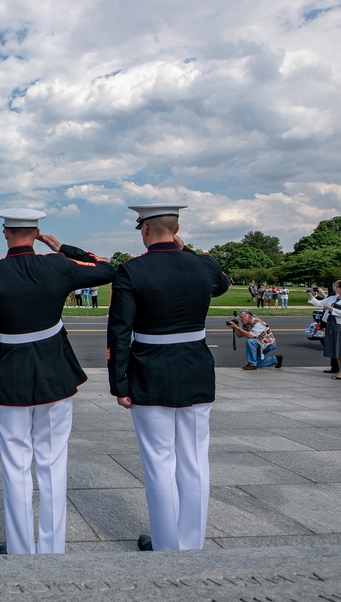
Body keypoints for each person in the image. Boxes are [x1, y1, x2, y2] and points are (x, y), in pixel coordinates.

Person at [0, 208, 115, 555]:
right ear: (36, 234)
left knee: (15, 465)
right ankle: (52, 548)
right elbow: (108, 269)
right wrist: (64, 247)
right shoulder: (57, 265)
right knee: (53, 463)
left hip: (11, 376)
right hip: (55, 372)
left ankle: (20, 548)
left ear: (5, 233)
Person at [106, 204, 230, 552]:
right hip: (195, 368)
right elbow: (220, 285)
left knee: (159, 462)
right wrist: (185, 247)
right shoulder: (204, 264)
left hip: (150, 371)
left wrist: (120, 382)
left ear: (145, 230)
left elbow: (119, 332)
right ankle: (192, 542)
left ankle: (165, 543)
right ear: (176, 229)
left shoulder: (132, 270)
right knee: (194, 460)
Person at [307, 281, 341, 379]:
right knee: (336, 349)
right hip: (331, 324)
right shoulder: (333, 298)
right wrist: (311, 296)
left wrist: (331, 309)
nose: (335, 288)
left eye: (337, 287)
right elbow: (319, 303)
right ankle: (340, 369)